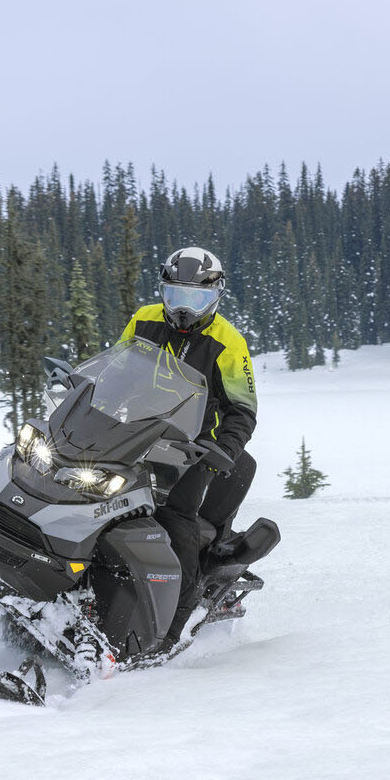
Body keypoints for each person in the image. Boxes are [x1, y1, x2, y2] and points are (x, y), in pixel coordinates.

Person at [117, 246, 259, 643]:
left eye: (195, 299)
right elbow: (115, 368)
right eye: (176, 296)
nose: (184, 308)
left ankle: (170, 631)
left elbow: (242, 410)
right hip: (134, 435)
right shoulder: (143, 320)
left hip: (192, 450)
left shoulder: (228, 343)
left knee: (174, 524)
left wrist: (223, 451)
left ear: (215, 296)